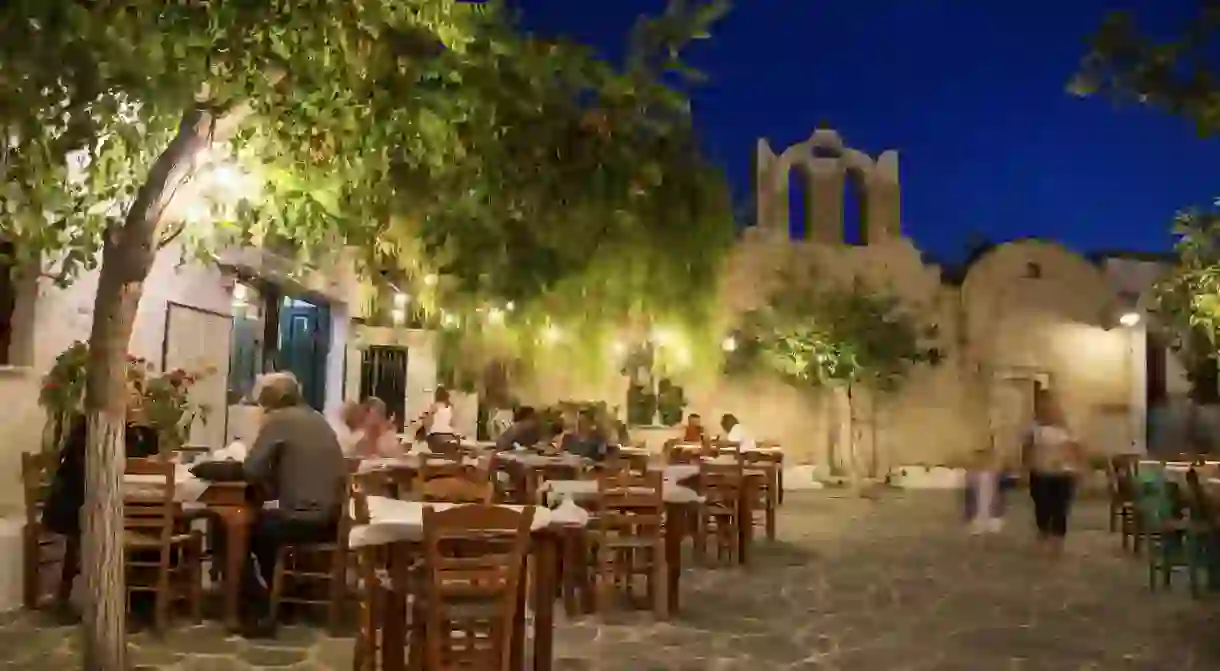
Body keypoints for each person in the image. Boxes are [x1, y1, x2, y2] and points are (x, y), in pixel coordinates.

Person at [242, 372, 346, 635]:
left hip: (303, 519)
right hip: (332, 519)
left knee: (243, 530)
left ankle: (263, 604)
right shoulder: (317, 419)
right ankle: (287, 593)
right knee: (265, 524)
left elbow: (252, 469)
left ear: (271, 400)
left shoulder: (279, 420)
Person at [41, 415, 159, 621]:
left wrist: (146, 429)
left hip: (107, 503)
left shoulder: (127, 429)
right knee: (146, 520)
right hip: (75, 508)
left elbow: (145, 454)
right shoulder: (87, 429)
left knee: (153, 517)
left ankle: (146, 598)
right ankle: (138, 601)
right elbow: (91, 472)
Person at [1021, 389, 1084, 556]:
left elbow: (1077, 448)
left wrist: (1078, 467)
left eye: (1050, 403)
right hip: (1041, 471)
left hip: (1064, 472)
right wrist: (1026, 467)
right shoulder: (1034, 427)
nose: (1047, 407)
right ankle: (1043, 534)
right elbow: (1027, 448)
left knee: (1060, 506)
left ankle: (1057, 540)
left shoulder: (1068, 427)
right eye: (1043, 404)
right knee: (1042, 504)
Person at [422, 387, 459, 453]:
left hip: (435, 434)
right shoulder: (451, 408)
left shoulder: (434, 407)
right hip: (449, 434)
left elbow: (428, 422)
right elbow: (453, 423)